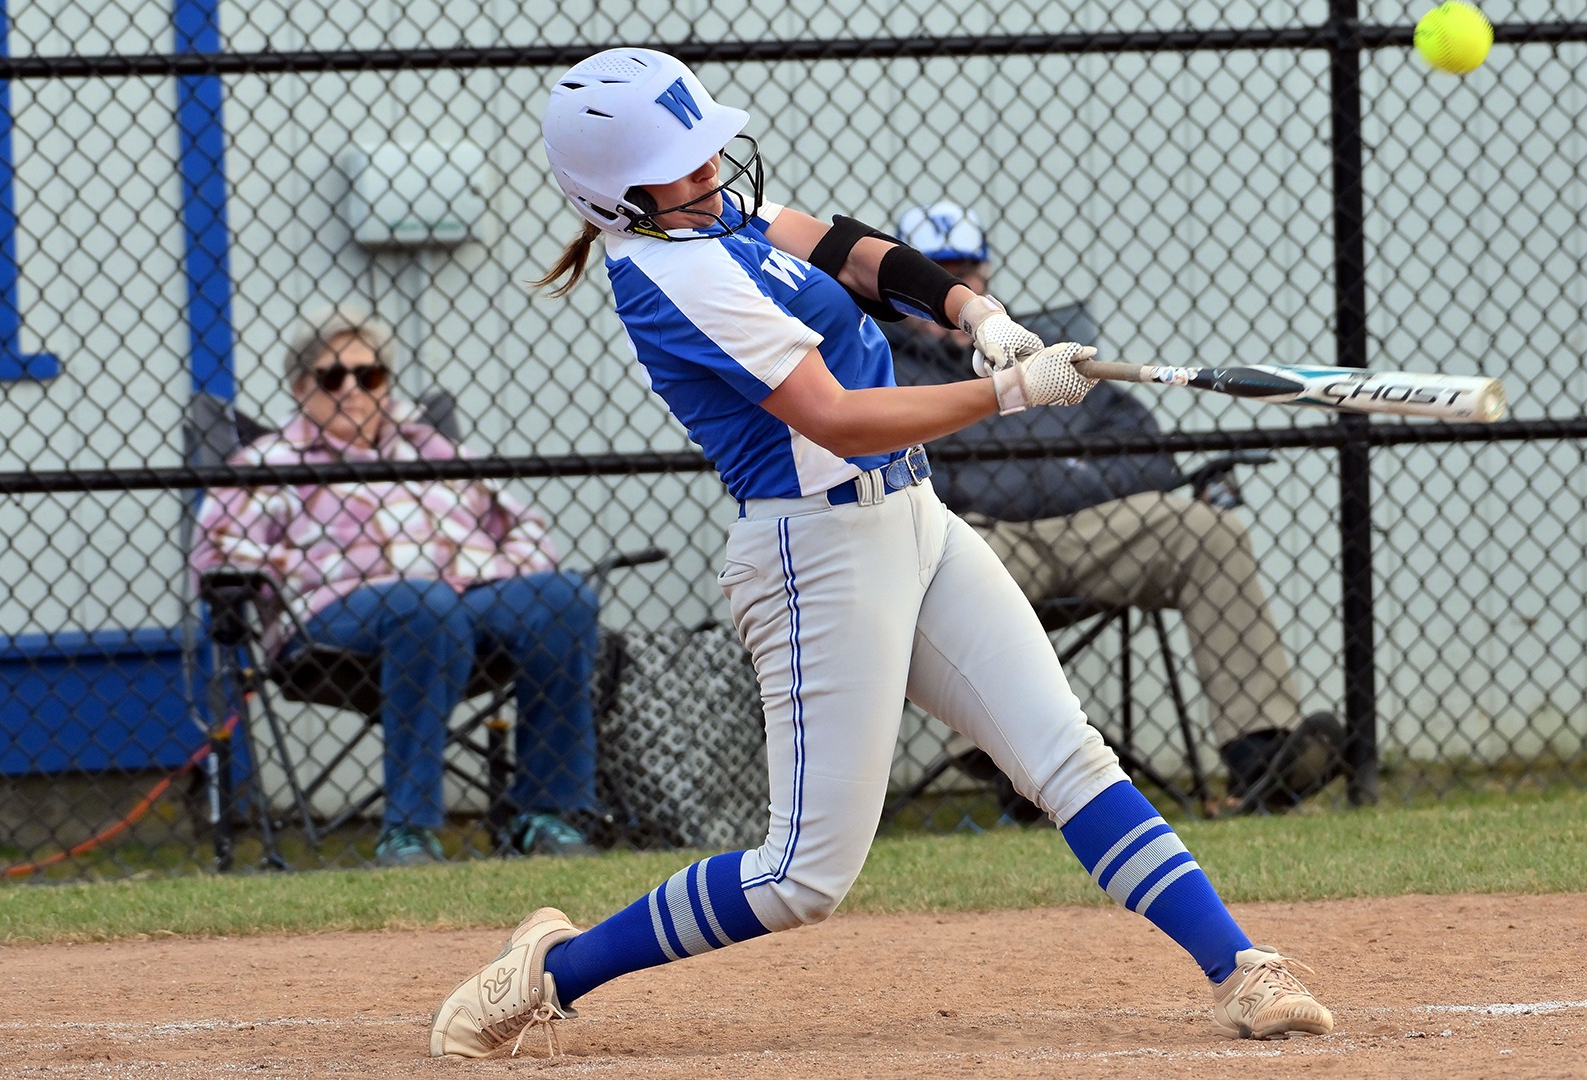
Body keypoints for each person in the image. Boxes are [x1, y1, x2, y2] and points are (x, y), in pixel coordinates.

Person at [427, 47, 1332, 1058]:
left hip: (914, 518)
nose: (710, 172)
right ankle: (553, 973)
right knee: (801, 877)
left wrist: (973, 313)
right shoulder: (673, 275)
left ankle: (1242, 969)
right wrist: (1008, 392)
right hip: (815, 555)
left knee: (1067, 756)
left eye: (705, 152)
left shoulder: (712, 217)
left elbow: (852, 252)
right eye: (680, 168)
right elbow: (839, 419)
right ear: (618, 198)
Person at [883, 202, 1345, 821]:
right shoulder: (885, 367)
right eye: (938, 275)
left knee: (1207, 531)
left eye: (966, 274)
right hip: (985, 537)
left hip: (1095, 531)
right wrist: (1066, 475)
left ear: (986, 282)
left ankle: (1263, 759)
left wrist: (1076, 479)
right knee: (952, 562)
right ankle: (1012, 760)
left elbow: (1151, 457)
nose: (954, 290)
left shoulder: (1041, 358)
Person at [191, 305, 601, 867]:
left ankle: (546, 814)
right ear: (301, 387)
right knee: (423, 604)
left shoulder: (432, 449)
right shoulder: (268, 461)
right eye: (333, 376)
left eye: (370, 374)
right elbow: (215, 552)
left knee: (563, 598)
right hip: (336, 615)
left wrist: (498, 568)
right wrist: (305, 566)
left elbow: (523, 526)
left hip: (468, 597)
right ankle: (408, 830)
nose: (353, 389)